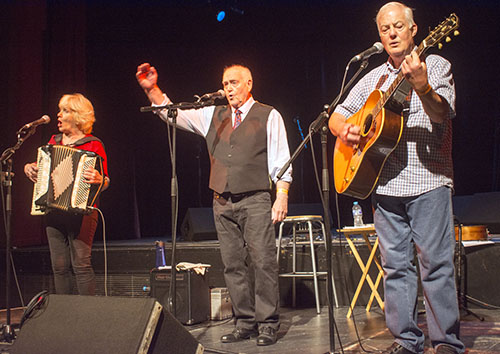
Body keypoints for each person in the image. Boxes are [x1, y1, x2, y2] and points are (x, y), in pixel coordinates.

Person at [329, 3, 464, 354]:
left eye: (398, 26)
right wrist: (346, 129)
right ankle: (406, 340)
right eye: (385, 28)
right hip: (385, 185)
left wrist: (422, 87)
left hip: (429, 181)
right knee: (395, 268)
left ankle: (446, 342)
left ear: (414, 29)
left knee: (435, 265)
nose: (391, 33)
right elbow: (335, 116)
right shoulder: (373, 77)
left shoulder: (434, 65)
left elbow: (442, 113)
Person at [136, 63, 292, 346]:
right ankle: (244, 322)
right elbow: (175, 115)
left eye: (234, 82)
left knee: (263, 263)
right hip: (222, 201)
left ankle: (267, 323)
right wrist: (152, 90)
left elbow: (281, 159)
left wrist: (281, 195)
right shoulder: (213, 114)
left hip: (256, 199)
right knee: (233, 265)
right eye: (225, 83)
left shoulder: (269, 115)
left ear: (249, 83)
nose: (229, 88)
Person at [24, 93, 110, 296]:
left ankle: (87, 315)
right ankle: (65, 313)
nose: (58, 115)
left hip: (83, 212)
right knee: (59, 266)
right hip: (54, 211)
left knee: (81, 265)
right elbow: (44, 168)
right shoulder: (53, 142)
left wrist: (100, 179)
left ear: (78, 115)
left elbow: (106, 180)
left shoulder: (93, 144)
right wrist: (29, 167)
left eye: (65, 110)